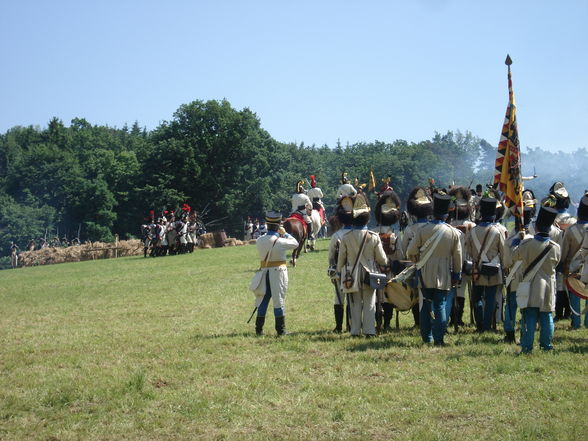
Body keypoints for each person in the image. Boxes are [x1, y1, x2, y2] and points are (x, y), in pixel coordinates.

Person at [407, 194, 462, 346]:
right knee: (440, 305)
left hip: (424, 272)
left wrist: (417, 261)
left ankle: (427, 338)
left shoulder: (423, 230)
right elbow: (457, 257)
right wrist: (456, 274)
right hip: (444, 272)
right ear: (446, 214)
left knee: (426, 304)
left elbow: (410, 251)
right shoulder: (453, 232)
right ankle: (439, 339)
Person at [336, 193, 388, 337]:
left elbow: (341, 259)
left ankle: (355, 331)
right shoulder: (374, 236)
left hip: (351, 274)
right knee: (370, 303)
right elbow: (382, 259)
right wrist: (384, 264)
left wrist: (340, 272)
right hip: (369, 273)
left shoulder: (346, 237)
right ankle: (369, 331)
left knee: (354, 303)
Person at [512, 206, 561, 353]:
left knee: (529, 316)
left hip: (530, 284)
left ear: (537, 226)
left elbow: (515, 257)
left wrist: (517, 241)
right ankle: (546, 346)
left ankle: (527, 346)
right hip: (547, 286)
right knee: (547, 317)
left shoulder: (526, 244)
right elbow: (556, 263)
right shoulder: (555, 247)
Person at [252, 211, 299, 336]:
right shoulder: (280, 241)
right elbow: (296, 243)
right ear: (279, 225)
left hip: (264, 272)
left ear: (267, 225)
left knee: (262, 300)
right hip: (278, 272)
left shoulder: (259, 240)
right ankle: (281, 330)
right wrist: (285, 233)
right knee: (278, 301)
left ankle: (259, 329)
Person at [465, 197, 505, 333]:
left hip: (477, 268)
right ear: (493, 214)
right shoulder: (497, 231)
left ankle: (480, 326)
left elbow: (468, 250)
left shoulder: (473, 231)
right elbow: (503, 252)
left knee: (477, 298)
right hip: (493, 269)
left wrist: (478, 259)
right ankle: (487, 326)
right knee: (491, 299)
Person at [400, 186, 433, 328]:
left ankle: (419, 322)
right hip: (431, 264)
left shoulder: (409, 230)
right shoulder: (433, 227)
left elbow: (403, 250)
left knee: (415, 293)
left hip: (415, 265)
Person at [373, 186, 403, 332]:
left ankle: (378, 322)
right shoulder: (396, 235)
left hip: (375, 270)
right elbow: (400, 255)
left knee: (377, 298)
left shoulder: (372, 233)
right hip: (390, 270)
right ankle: (386, 324)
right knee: (389, 298)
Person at [502, 206, 534, 343]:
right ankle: (524, 334)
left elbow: (507, 263)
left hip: (514, 279)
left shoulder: (510, 241)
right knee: (526, 308)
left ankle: (510, 334)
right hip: (529, 280)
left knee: (510, 306)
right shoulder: (534, 240)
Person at [447, 186, 476, 328]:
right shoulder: (473, 225)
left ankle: (455, 317)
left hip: (454, 262)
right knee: (461, 290)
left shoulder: (448, 226)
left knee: (454, 289)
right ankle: (456, 318)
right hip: (467, 261)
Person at [560, 194, 588, 329]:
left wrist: (563, 265)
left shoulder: (571, 230)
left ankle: (576, 322)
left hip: (573, 267)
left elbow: (564, 251)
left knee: (575, 295)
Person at [327, 203, 354, 333]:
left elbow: (331, 256)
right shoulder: (357, 233)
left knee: (339, 298)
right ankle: (350, 326)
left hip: (340, 269)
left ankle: (338, 327)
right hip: (354, 269)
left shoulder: (336, 235)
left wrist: (332, 269)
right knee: (352, 298)